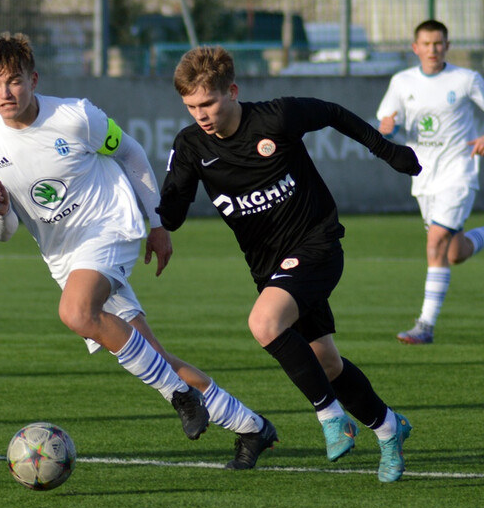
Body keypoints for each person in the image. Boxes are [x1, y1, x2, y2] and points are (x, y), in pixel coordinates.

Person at [0, 32, 278, 469]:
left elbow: (131, 154)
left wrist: (157, 222)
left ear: (33, 79)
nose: (5, 92)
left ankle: (180, 395)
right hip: (65, 257)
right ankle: (251, 427)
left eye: (14, 81)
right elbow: (3, 232)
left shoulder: (76, 117)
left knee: (76, 313)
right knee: (153, 354)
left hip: (111, 225)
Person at [157, 45, 421, 482]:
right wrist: (144, 213)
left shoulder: (275, 118)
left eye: (208, 102)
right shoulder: (190, 146)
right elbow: (172, 212)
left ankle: (331, 418)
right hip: (270, 269)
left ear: (233, 91)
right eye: (191, 106)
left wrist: (388, 151)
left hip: (317, 244)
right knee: (328, 365)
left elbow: (334, 113)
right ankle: (390, 429)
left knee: (264, 323)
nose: (200, 114)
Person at [377, 19, 484, 345]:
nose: (432, 49)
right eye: (426, 44)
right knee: (454, 252)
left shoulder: (466, 79)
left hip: (459, 173)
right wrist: (388, 127)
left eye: (438, 43)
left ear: (447, 46)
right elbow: (385, 123)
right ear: (415, 47)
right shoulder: (401, 81)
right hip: (424, 178)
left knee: (435, 242)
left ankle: (425, 325)